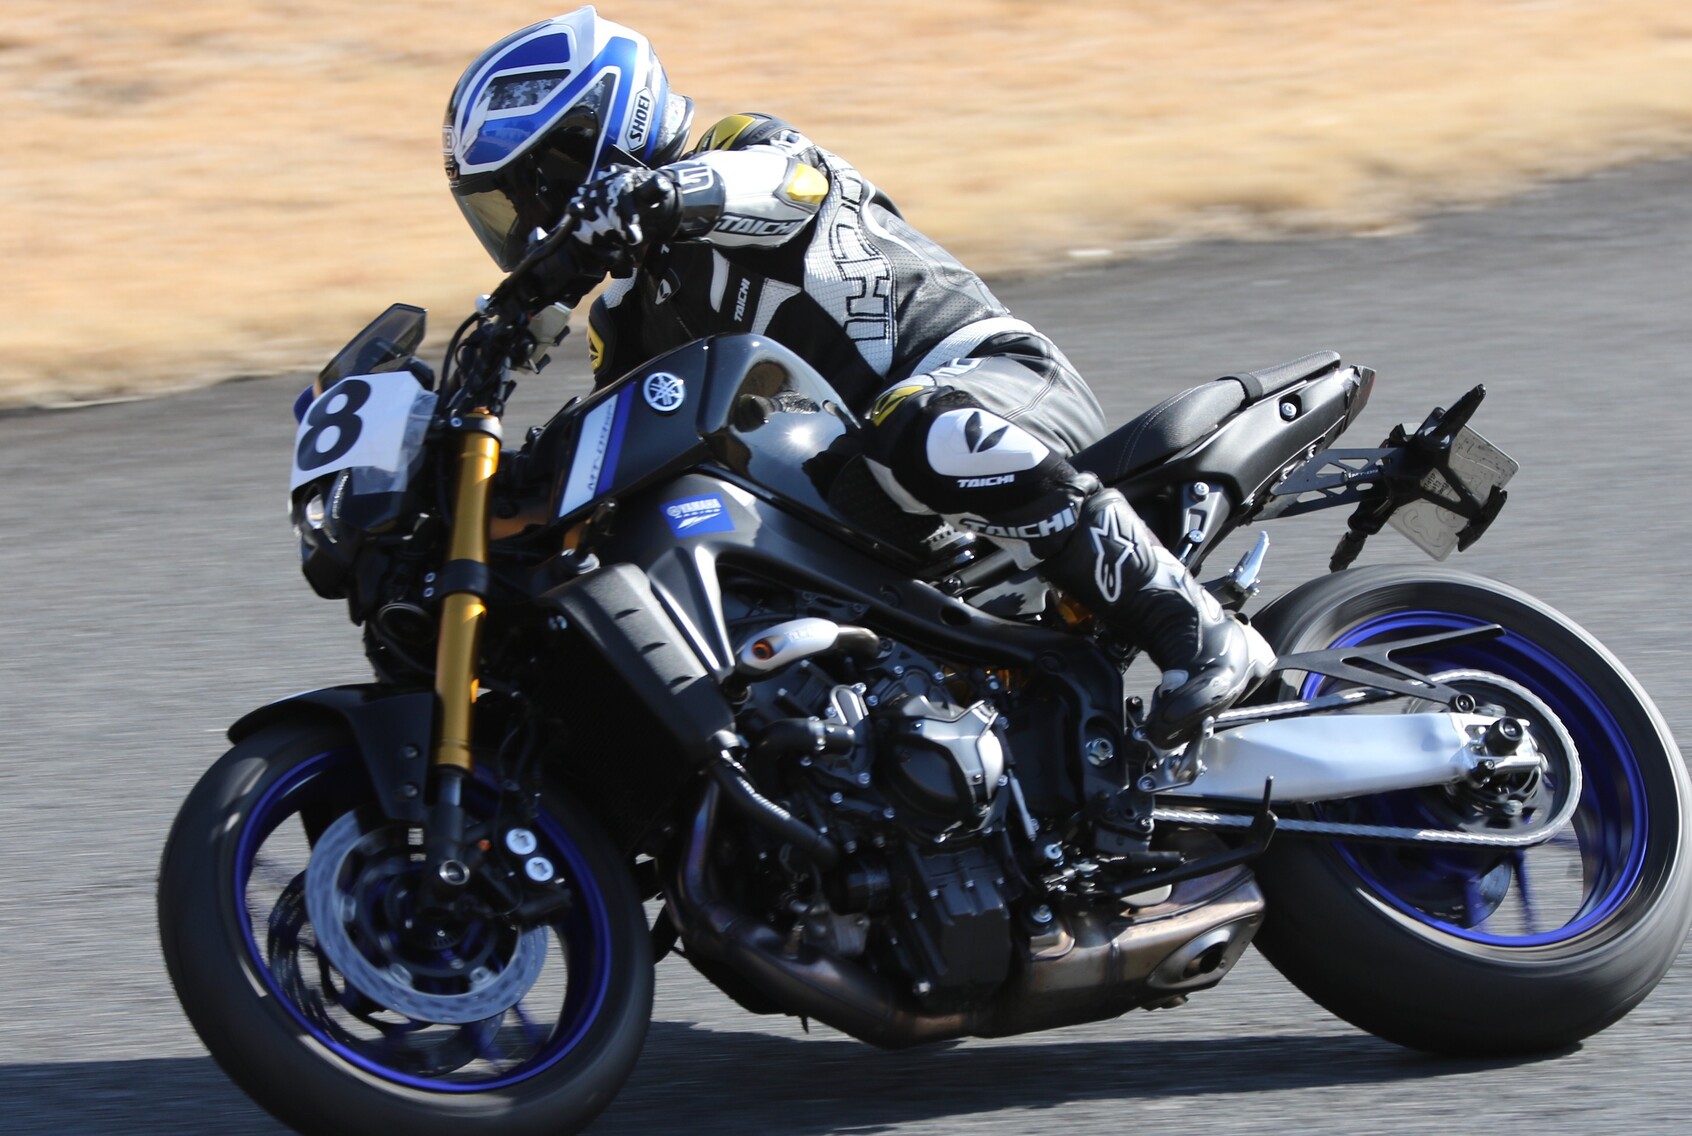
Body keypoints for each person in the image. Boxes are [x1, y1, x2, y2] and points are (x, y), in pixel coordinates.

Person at [442, 7, 1269, 746]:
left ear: (596, 139)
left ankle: (1196, 628)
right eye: (502, 210)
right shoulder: (622, 318)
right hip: (859, 505)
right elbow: (625, 461)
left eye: (532, 192)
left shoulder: (742, 152)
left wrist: (650, 197)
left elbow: (781, 181)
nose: (530, 225)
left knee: (916, 424)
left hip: (988, 384)